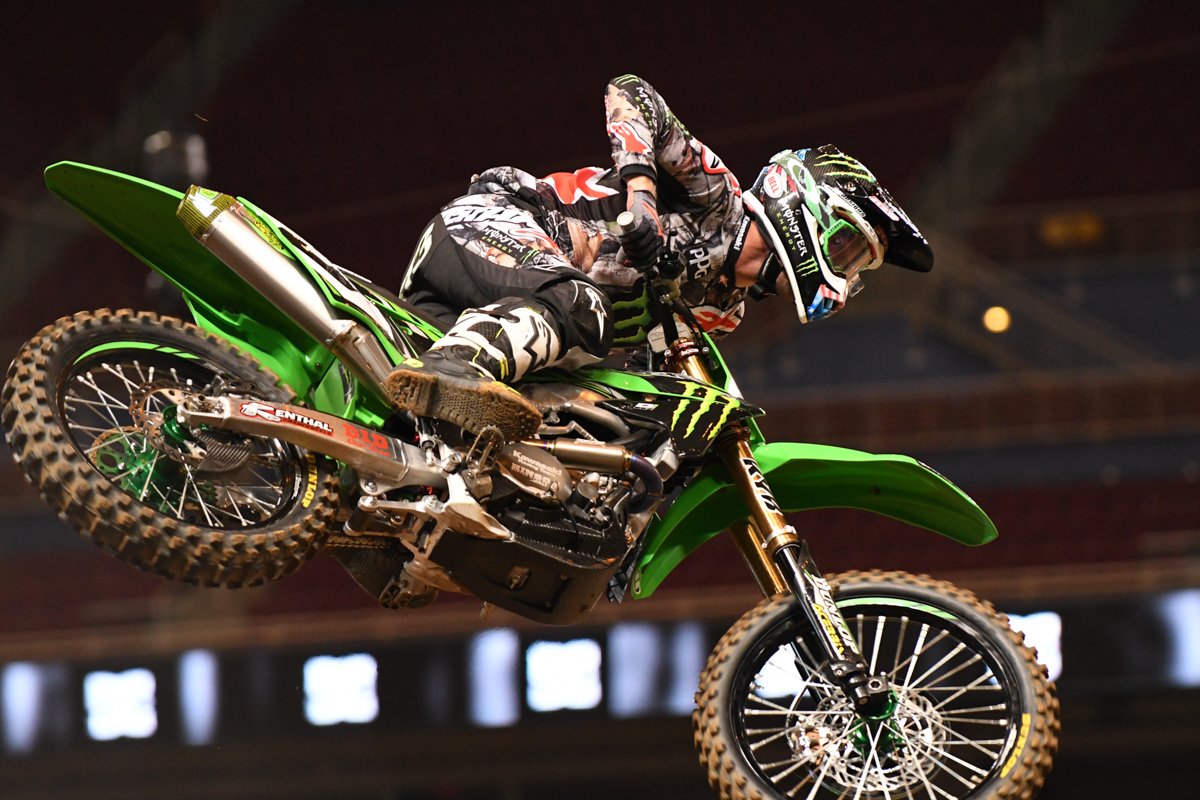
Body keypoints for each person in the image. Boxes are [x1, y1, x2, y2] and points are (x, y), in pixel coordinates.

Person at [387, 75, 933, 440]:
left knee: (595, 413)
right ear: (807, 205)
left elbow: (642, 374)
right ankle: (450, 369)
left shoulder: (723, 310)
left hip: (499, 311)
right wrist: (642, 199)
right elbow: (630, 91)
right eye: (850, 248)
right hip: (486, 225)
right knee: (588, 306)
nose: (847, 272)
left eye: (861, 265)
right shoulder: (715, 197)